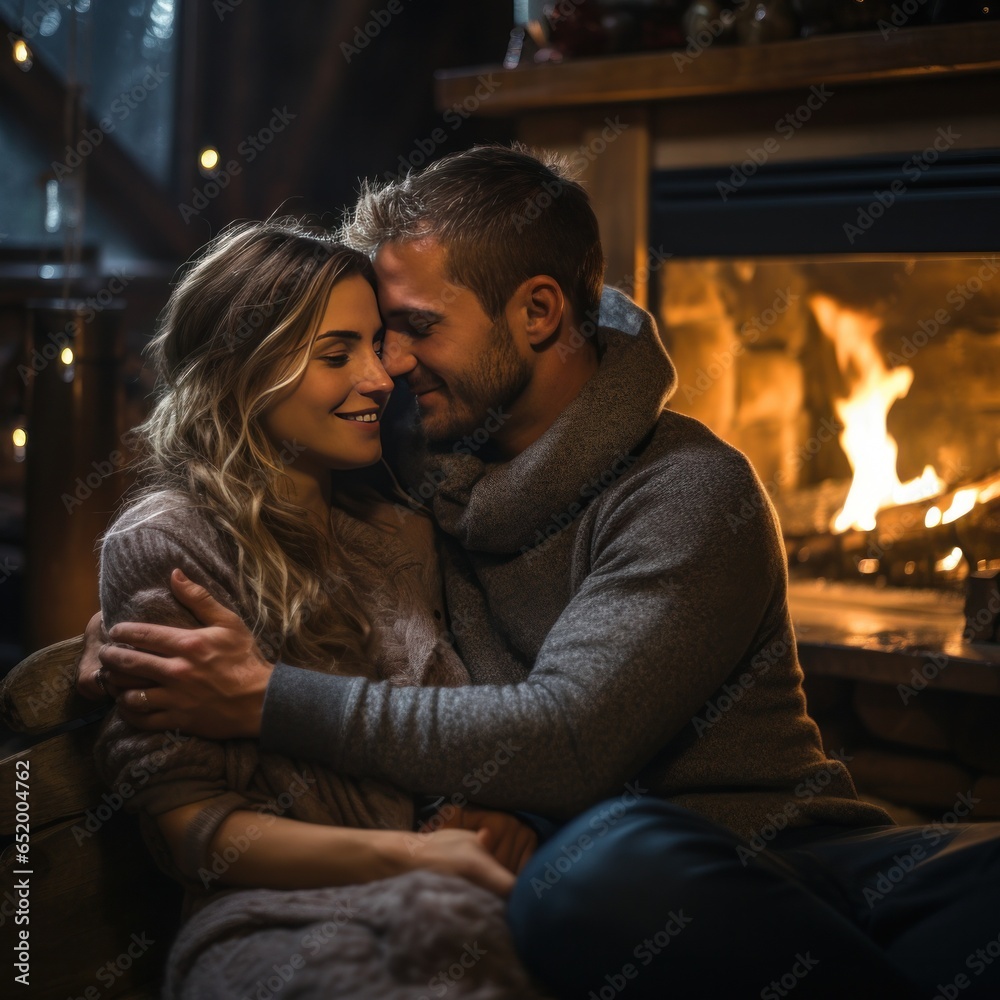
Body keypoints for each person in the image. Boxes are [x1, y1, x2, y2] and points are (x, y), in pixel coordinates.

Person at [81, 147, 1000, 999]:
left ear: (537, 313)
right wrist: (124, 636)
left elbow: (563, 743)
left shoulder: (688, 490)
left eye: (413, 329)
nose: (390, 367)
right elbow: (270, 549)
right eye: (366, 342)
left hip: (768, 859)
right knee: (595, 872)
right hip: (601, 880)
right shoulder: (414, 468)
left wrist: (264, 696)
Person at [91, 218, 549, 999]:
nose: (381, 378)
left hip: (444, 899)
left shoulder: (400, 532)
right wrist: (412, 857)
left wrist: (492, 810)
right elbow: (190, 830)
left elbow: (457, 722)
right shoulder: (167, 542)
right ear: (241, 368)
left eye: (377, 346)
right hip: (271, 921)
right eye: (339, 355)